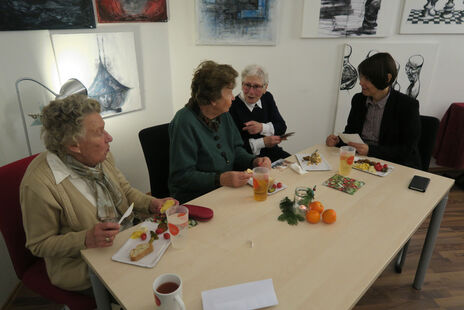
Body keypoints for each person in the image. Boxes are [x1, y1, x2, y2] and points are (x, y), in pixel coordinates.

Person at [20, 94, 176, 293]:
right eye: (99, 132)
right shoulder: (39, 184)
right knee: (146, 288)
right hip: (82, 263)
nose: (109, 138)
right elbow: (39, 244)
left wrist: (151, 203)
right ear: (74, 145)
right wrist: (85, 238)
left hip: (126, 240)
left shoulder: (102, 155)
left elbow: (126, 192)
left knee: (171, 261)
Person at [169, 60, 271, 203]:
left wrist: (254, 161)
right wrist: (221, 179)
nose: (233, 97)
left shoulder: (223, 114)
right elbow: (182, 176)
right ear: (212, 99)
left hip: (223, 189)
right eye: (229, 93)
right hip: (196, 198)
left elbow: (235, 149)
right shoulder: (184, 122)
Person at [326, 52, 421, 169]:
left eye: (367, 79)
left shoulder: (407, 105)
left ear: (387, 78)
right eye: (361, 77)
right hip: (360, 161)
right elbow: (351, 132)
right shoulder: (358, 99)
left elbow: (407, 150)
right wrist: (338, 141)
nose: (361, 82)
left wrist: (371, 150)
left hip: (392, 165)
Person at [229, 64, 290, 163]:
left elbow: (282, 127)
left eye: (257, 86)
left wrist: (261, 127)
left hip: (273, 152)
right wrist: (262, 142)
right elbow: (234, 146)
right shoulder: (232, 106)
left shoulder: (267, 97)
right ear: (241, 84)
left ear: (265, 88)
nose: (251, 92)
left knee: (297, 168)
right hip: (248, 159)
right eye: (247, 85)